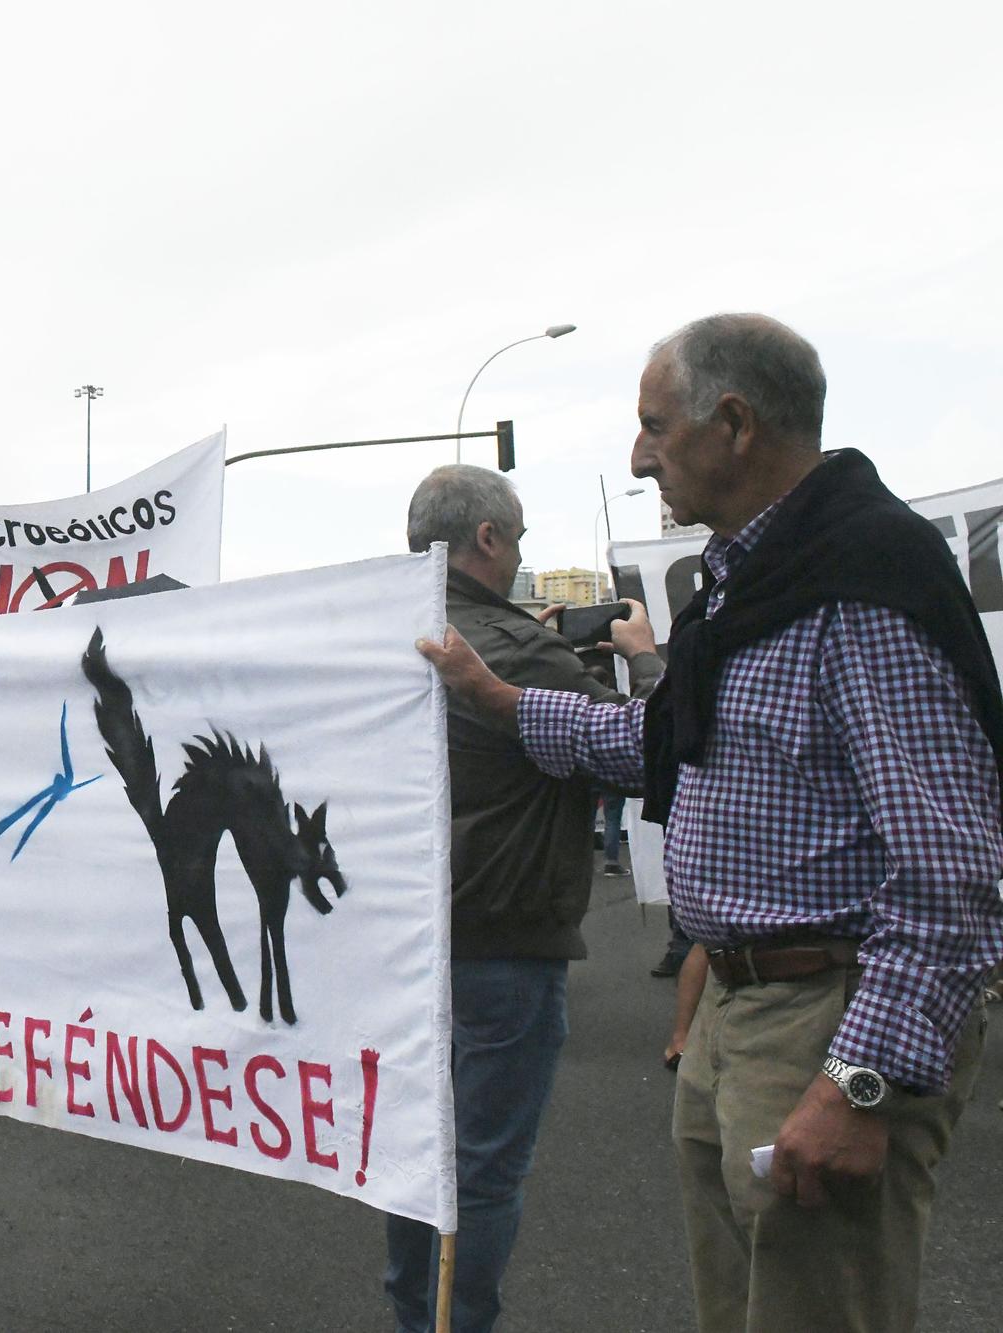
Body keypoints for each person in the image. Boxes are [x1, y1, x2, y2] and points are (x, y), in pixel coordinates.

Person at [419, 314, 1003, 1333]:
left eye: (653, 425)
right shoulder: (751, 581)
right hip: (739, 1012)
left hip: (824, 1011)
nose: (638, 453)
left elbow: (949, 866)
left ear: (731, 423)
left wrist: (860, 1079)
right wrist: (501, 700)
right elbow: (666, 741)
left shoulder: (858, 583)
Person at [383, 465, 663, 1333]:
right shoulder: (526, 654)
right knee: (485, 1170)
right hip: (504, 942)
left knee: (413, 1158)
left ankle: (412, 1315)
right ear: (490, 539)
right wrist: (645, 657)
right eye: (522, 537)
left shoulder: (381, 633)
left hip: (398, 944)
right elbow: (650, 753)